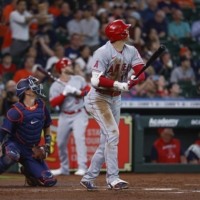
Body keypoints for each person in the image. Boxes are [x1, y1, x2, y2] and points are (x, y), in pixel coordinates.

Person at [80, 19, 145, 190]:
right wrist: (118, 84)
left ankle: (88, 178)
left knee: (107, 140)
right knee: (113, 133)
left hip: (115, 98)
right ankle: (113, 179)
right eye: (125, 29)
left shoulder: (131, 50)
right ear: (120, 34)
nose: (128, 31)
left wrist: (133, 81)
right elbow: (95, 80)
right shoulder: (102, 52)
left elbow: (141, 74)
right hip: (98, 98)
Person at [0, 76, 57, 187]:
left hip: (31, 149)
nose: (37, 87)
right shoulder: (15, 110)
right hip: (15, 145)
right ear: (26, 91)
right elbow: (2, 132)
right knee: (11, 155)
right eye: (33, 86)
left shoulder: (42, 105)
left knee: (48, 181)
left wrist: (47, 144)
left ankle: (28, 171)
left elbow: (47, 127)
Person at [49, 58, 90, 176]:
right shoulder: (55, 86)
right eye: (69, 65)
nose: (71, 67)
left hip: (79, 113)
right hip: (65, 114)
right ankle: (64, 168)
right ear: (62, 69)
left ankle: (82, 167)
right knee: (60, 142)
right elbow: (53, 103)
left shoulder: (78, 79)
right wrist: (64, 94)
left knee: (79, 139)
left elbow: (88, 91)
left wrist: (79, 92)